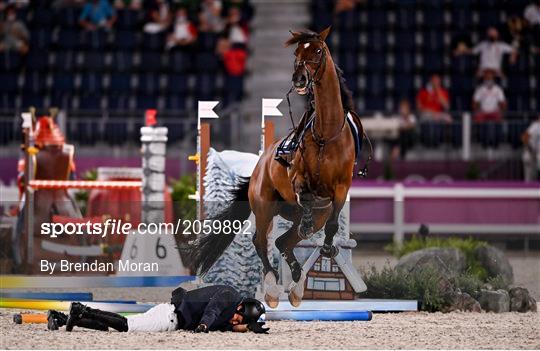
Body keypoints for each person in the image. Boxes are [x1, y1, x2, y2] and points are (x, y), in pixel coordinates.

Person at [46, 285, 269, 334]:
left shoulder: (231, 314)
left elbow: (226, 323)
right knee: (125, 325)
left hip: (171, 314)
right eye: (239, 317)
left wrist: (248, 326)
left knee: (113, 328)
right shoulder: (228, 296)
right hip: (169, 317)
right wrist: (203, 325)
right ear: (239, 307)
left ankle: (65, 318)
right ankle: (81, 309)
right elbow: (212, 310)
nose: (234, 321)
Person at [522, 115, 540, 181]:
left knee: (535, 175)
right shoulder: (535, 126)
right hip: (530, 151)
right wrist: (530, 149)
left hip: (537, 153)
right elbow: (524, 137)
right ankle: (527, 187)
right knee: (529, 176)